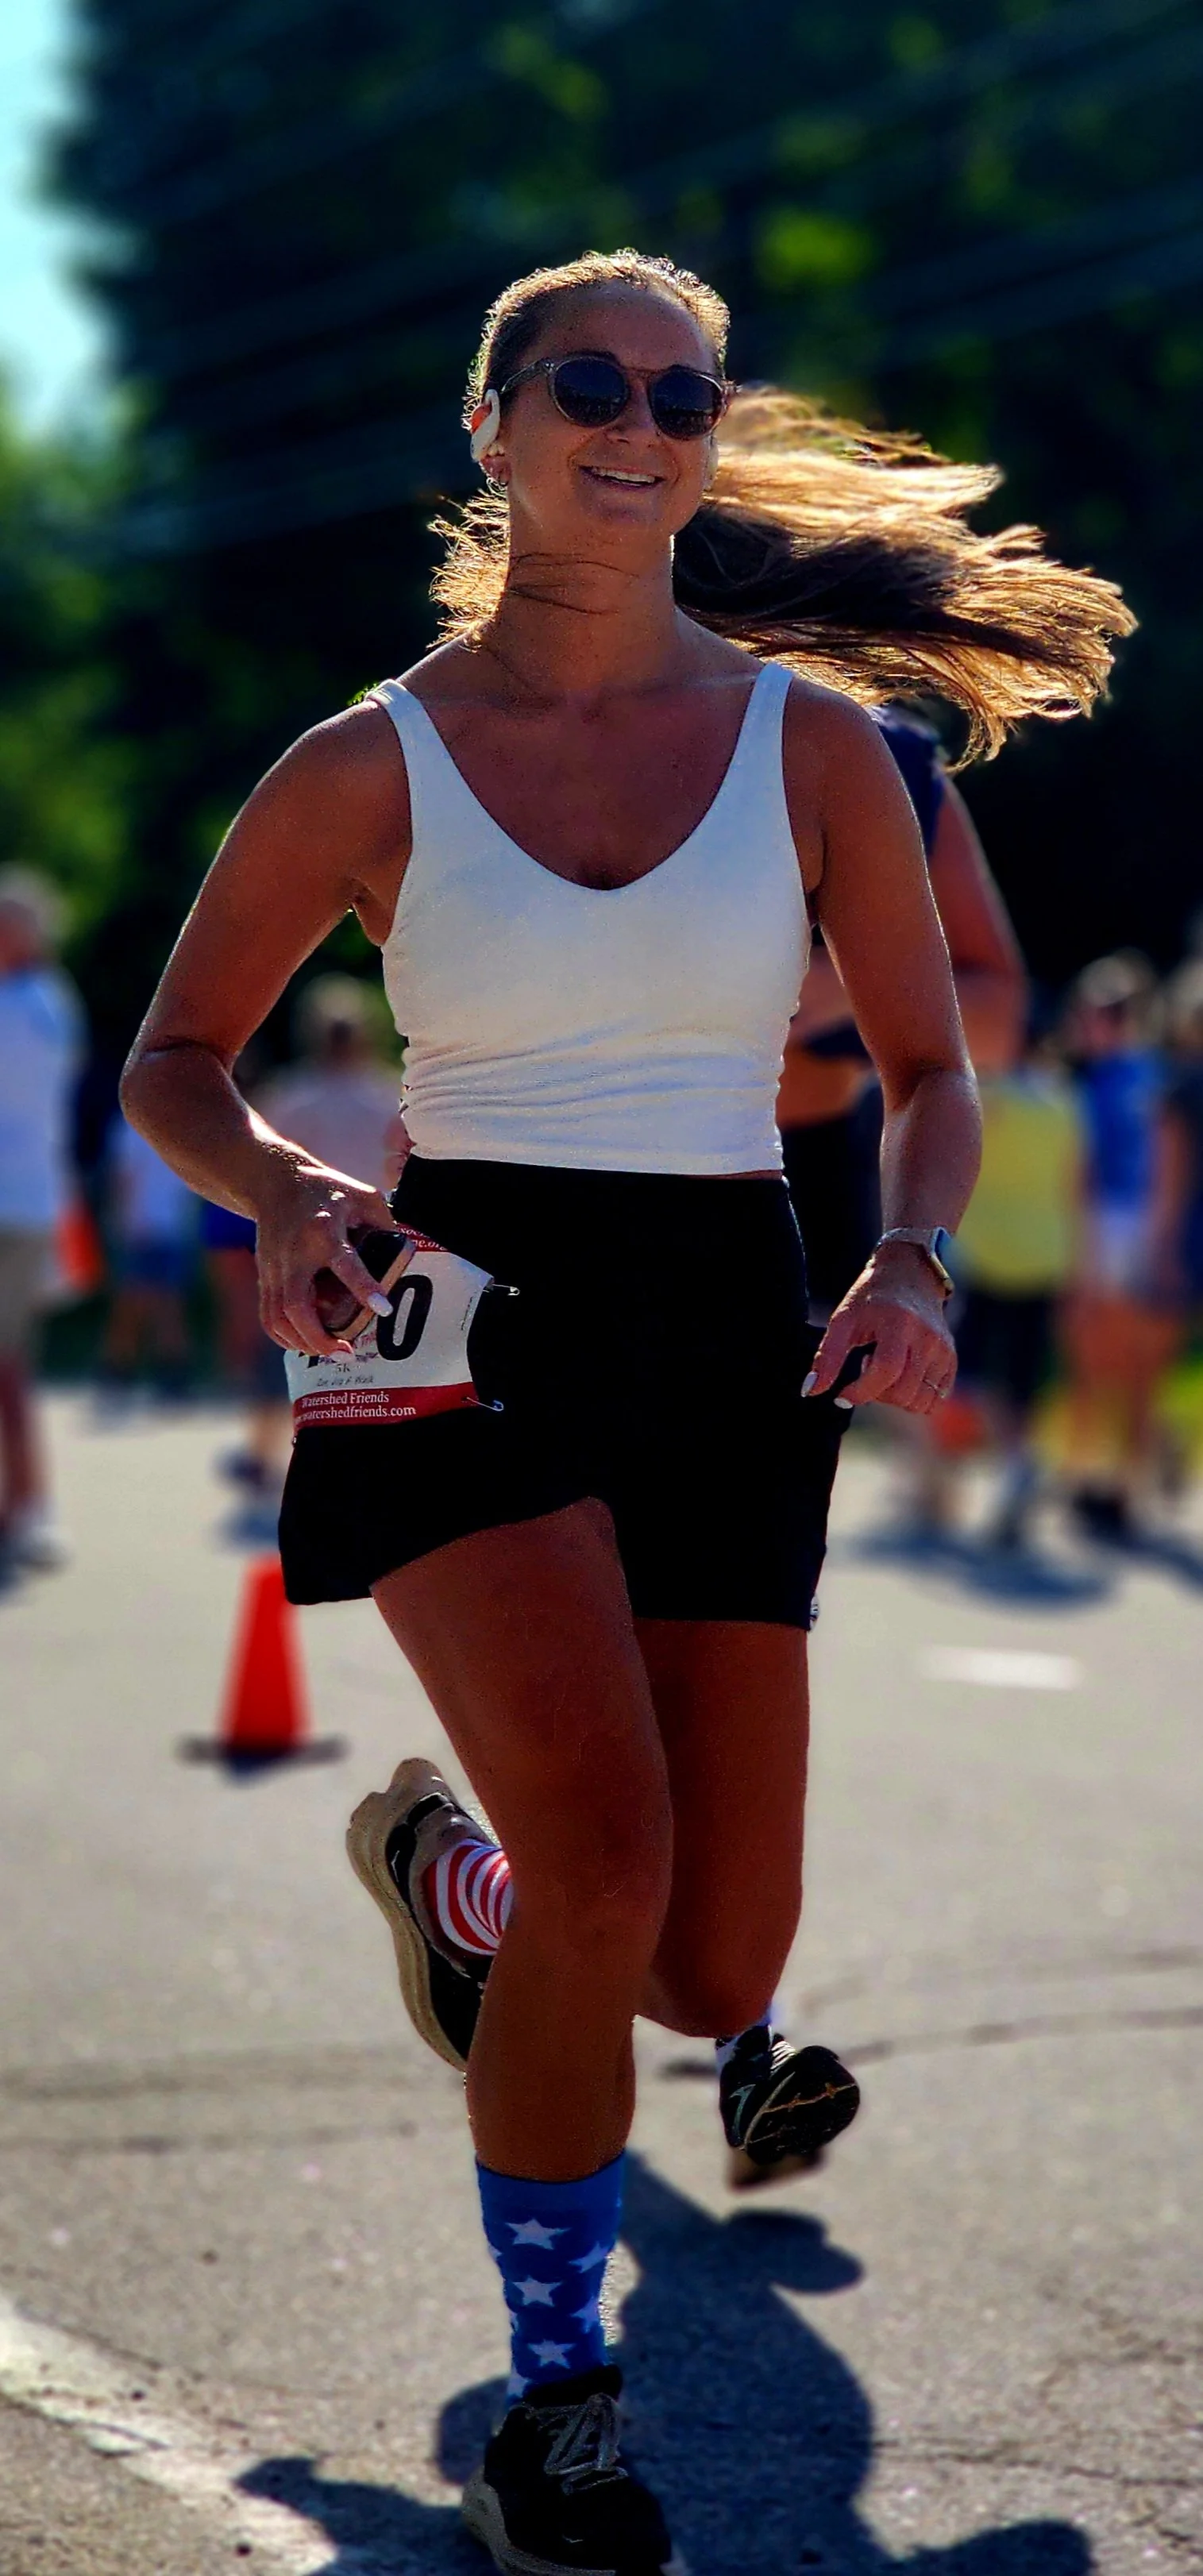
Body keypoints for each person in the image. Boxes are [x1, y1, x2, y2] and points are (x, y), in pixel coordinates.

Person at [121, 249, 1129, 2575]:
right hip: (452, 1307)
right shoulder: (366, 758)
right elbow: (174, 1057)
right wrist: (277, 1187)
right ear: (493, 426)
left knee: (697, 1957)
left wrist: (903, 1251)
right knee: (609, 1852)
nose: (645, 420)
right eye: (590, 381)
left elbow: (925, 1071)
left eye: (684, 391)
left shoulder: (803, 749)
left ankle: (460, 1903)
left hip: (726, 1315)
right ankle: (557, 2411)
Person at [779, 712, 1026, 1319]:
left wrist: (844, 983)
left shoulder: (874, 749)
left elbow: (998, 1022)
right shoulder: (569, 710)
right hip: (574, 1168)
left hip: (804, 1184)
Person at [916, 1008, 1085, 1548]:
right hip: (1045, 1253)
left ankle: (947, 1481)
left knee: (965, 1371)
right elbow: (1074, 1183)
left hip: (986, 1254)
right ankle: (1015, 1462)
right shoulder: (1064, 1101)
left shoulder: (988, 1096)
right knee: (1020, 1375)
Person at [1061, 954, 1182, 1541]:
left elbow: (1091, 1170)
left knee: (1100, 1360)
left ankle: (1103, 1478)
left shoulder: (1113, 1080)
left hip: (1114, 1225)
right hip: (1136, 1225)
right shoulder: (1152, 1073)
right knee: (1121, 1364)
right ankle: (1120, 1474)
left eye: (1095, 1015)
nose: (1085, 1026)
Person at [0, 866, 83, 1572]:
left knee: (9, 1362)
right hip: (25, 1204)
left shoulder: (33, 1005)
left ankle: (25, 1508)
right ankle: (22, 1505)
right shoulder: (43, 1002)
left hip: (16, 1206)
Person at [99, 1113, 197, 1397]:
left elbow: (122, 1178)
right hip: (168, 1227)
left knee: (134, 1303)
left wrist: (119, 1220)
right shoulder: (182, 1125)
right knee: (164, 1302)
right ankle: (169, 1374)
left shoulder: (130, 1126)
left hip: (144, 1226)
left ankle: (121, 1371)